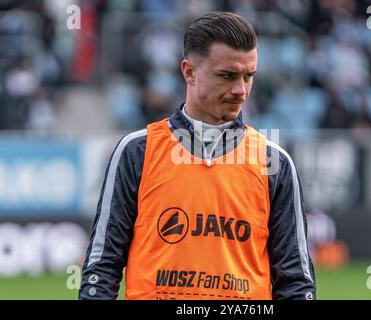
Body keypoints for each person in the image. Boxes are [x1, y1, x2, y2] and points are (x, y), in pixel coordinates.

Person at [79, 11, 316, 300]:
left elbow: (295, 282)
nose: (240, 90)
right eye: (227, 76)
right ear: (189, 72)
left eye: (248, 76)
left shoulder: (274, 162)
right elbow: (102, 266)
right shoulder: (137, 151)